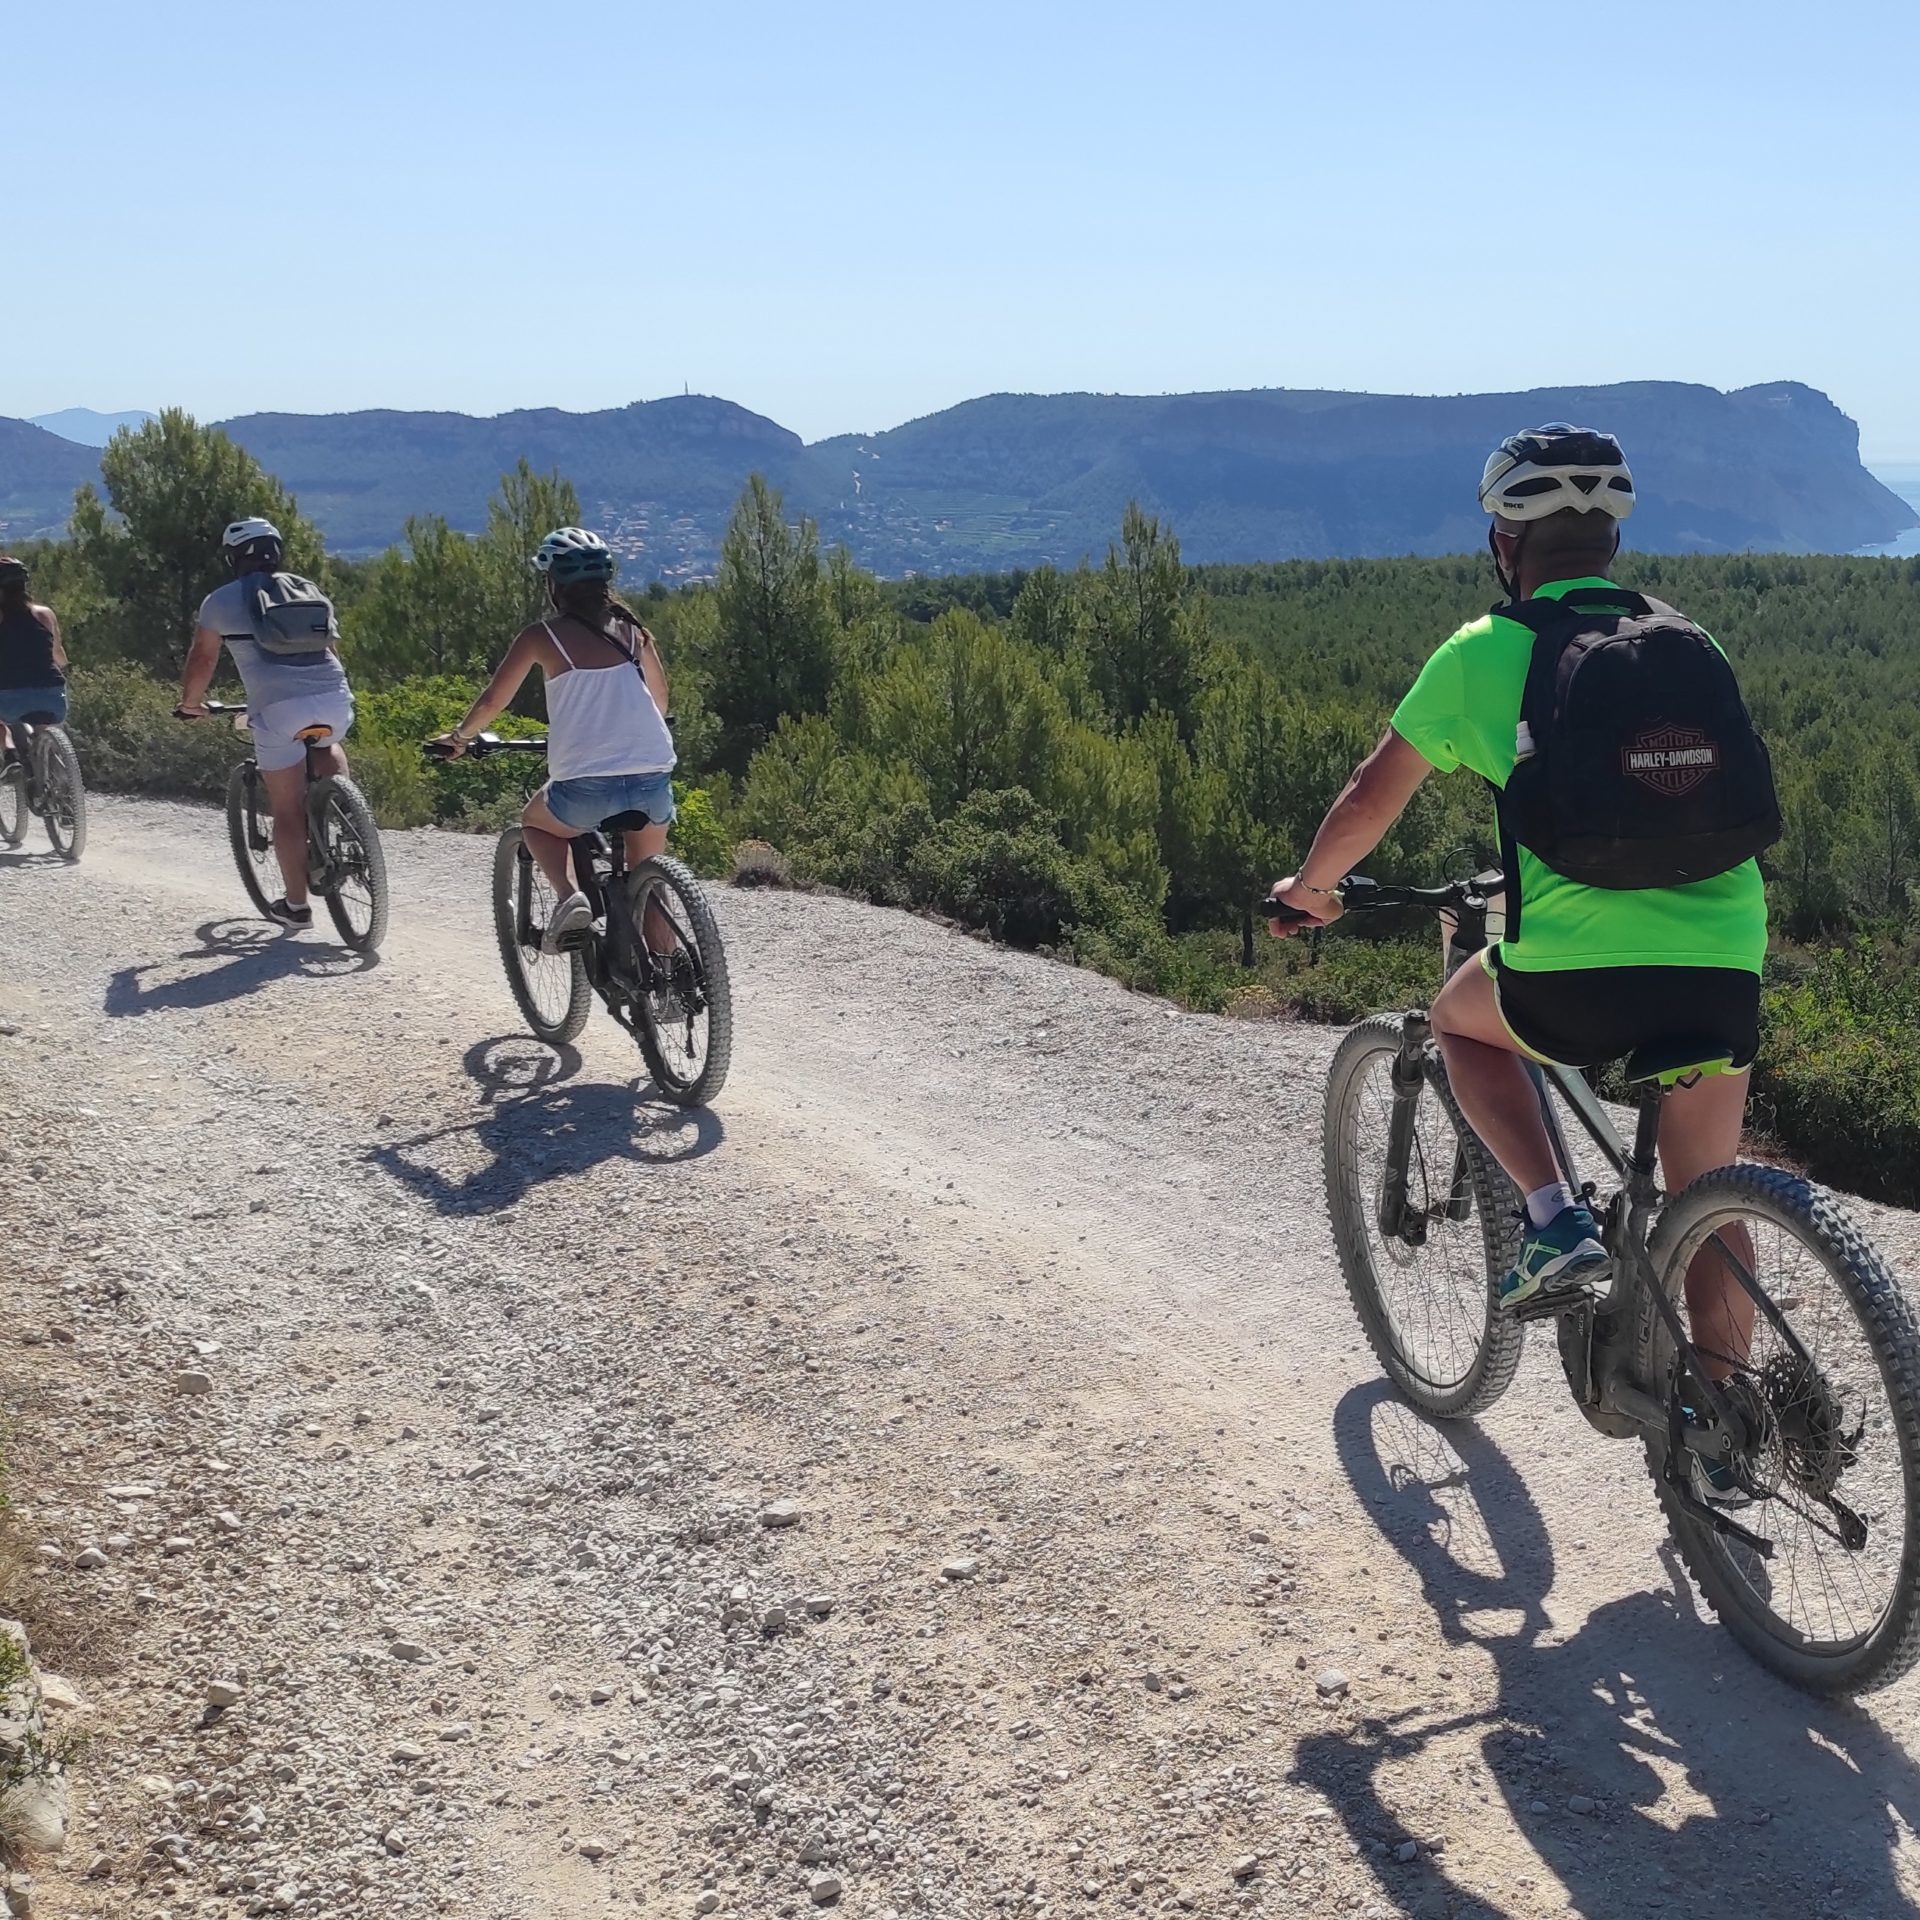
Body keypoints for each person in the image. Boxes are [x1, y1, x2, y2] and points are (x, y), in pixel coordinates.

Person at [1268, 425, 1768, 1362]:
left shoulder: (1485, 651)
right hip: (1722, 954)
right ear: (1611, 541)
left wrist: (1312, 889)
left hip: (1579, 973)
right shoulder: (1691, 638)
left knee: (1459, 1022)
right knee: (1707, 1190)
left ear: (1505, 544)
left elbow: (1371, 796)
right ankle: (1729, 1434)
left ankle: (1552, 1220)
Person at [432, 527, 676, 951]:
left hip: (585, 785)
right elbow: (660, 696)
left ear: (553, 583)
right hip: (651, 774)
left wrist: (459, 737)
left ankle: (569, 898)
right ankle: (671, 977)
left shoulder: (541, 637)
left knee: (534, 822)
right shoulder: (633, 629)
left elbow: (493, 701)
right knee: (648, 877)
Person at [177, 518, 355, 927]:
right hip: (335, 699)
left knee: (287, 809)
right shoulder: (308, 588)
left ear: (232, 557)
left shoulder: (219, 601)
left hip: (278, 711)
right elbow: (333, 651)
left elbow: (203, 659)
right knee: (327, 743)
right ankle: (344, 814)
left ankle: (296, 907)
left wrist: (191, 703)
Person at [0, 556, 70, 773]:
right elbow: (57, 654)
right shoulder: (44, 614)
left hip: (9, 697)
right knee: (43, 724)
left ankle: (9, 751)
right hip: (52, 696)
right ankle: (52, 773)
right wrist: (66, 669)